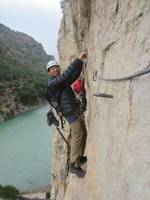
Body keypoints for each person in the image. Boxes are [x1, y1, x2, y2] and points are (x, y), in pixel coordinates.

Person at [46, 52, 87, 178]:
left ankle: (79, 157)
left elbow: (73, 76)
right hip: (68, 112)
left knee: (83, 132)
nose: (55, 69)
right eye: (52, 69)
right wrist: (78, 59)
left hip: (73, 109)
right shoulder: (53, 83)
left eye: (56, 67)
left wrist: (80, 64)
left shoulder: (60, 82)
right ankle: (74, 164)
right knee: (78, 134)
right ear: (49, 72)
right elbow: (66, 75)